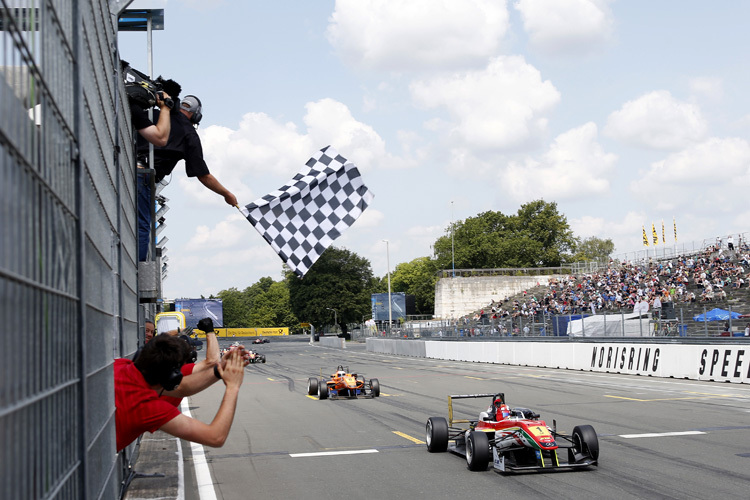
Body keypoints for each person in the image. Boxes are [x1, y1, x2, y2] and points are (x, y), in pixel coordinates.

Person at [136, 92, 237, 261]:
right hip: (143, 178)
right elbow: (203, 176)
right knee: (142, 226)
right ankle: (136, 273)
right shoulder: (189, 134)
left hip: (125, 168)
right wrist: (227, 194)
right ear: (196, 116)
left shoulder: (154, 114)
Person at [115, 334, 245, 451]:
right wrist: (232, 387)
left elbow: (183, 387)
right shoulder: (145, 406)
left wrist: (219, 370)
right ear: (172, 379)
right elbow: (215, 437)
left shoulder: (119, 365)